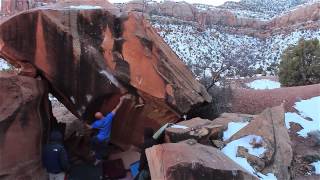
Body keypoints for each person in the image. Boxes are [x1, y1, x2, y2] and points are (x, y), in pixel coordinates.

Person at [86, 95, 130, 165]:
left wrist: (85, 124)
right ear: (102, 115)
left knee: (93, 141)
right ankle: (98, 159)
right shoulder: (109, 118)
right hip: (106, 139)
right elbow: (116, 108)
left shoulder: (97, 123)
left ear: (97, 118)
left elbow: (90, 127)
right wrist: (121, 100)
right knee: (101, 150)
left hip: (99, 139)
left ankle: (93, 151)